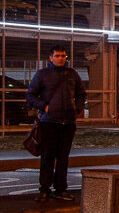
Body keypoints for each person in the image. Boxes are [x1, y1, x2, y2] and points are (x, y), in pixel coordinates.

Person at [26, 44, 86, 202]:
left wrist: (77, 108)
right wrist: (44, 106)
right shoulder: (42, 74)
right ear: (51, 58)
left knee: (63, 157)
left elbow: (81, 93)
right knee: (47, 156)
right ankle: (44, 189)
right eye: (58, 56)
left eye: (63, 56)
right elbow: (30, 95)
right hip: (49, 122)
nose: (61, 58)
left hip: (68, 122)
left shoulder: (72, 74)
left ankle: (61, 189)